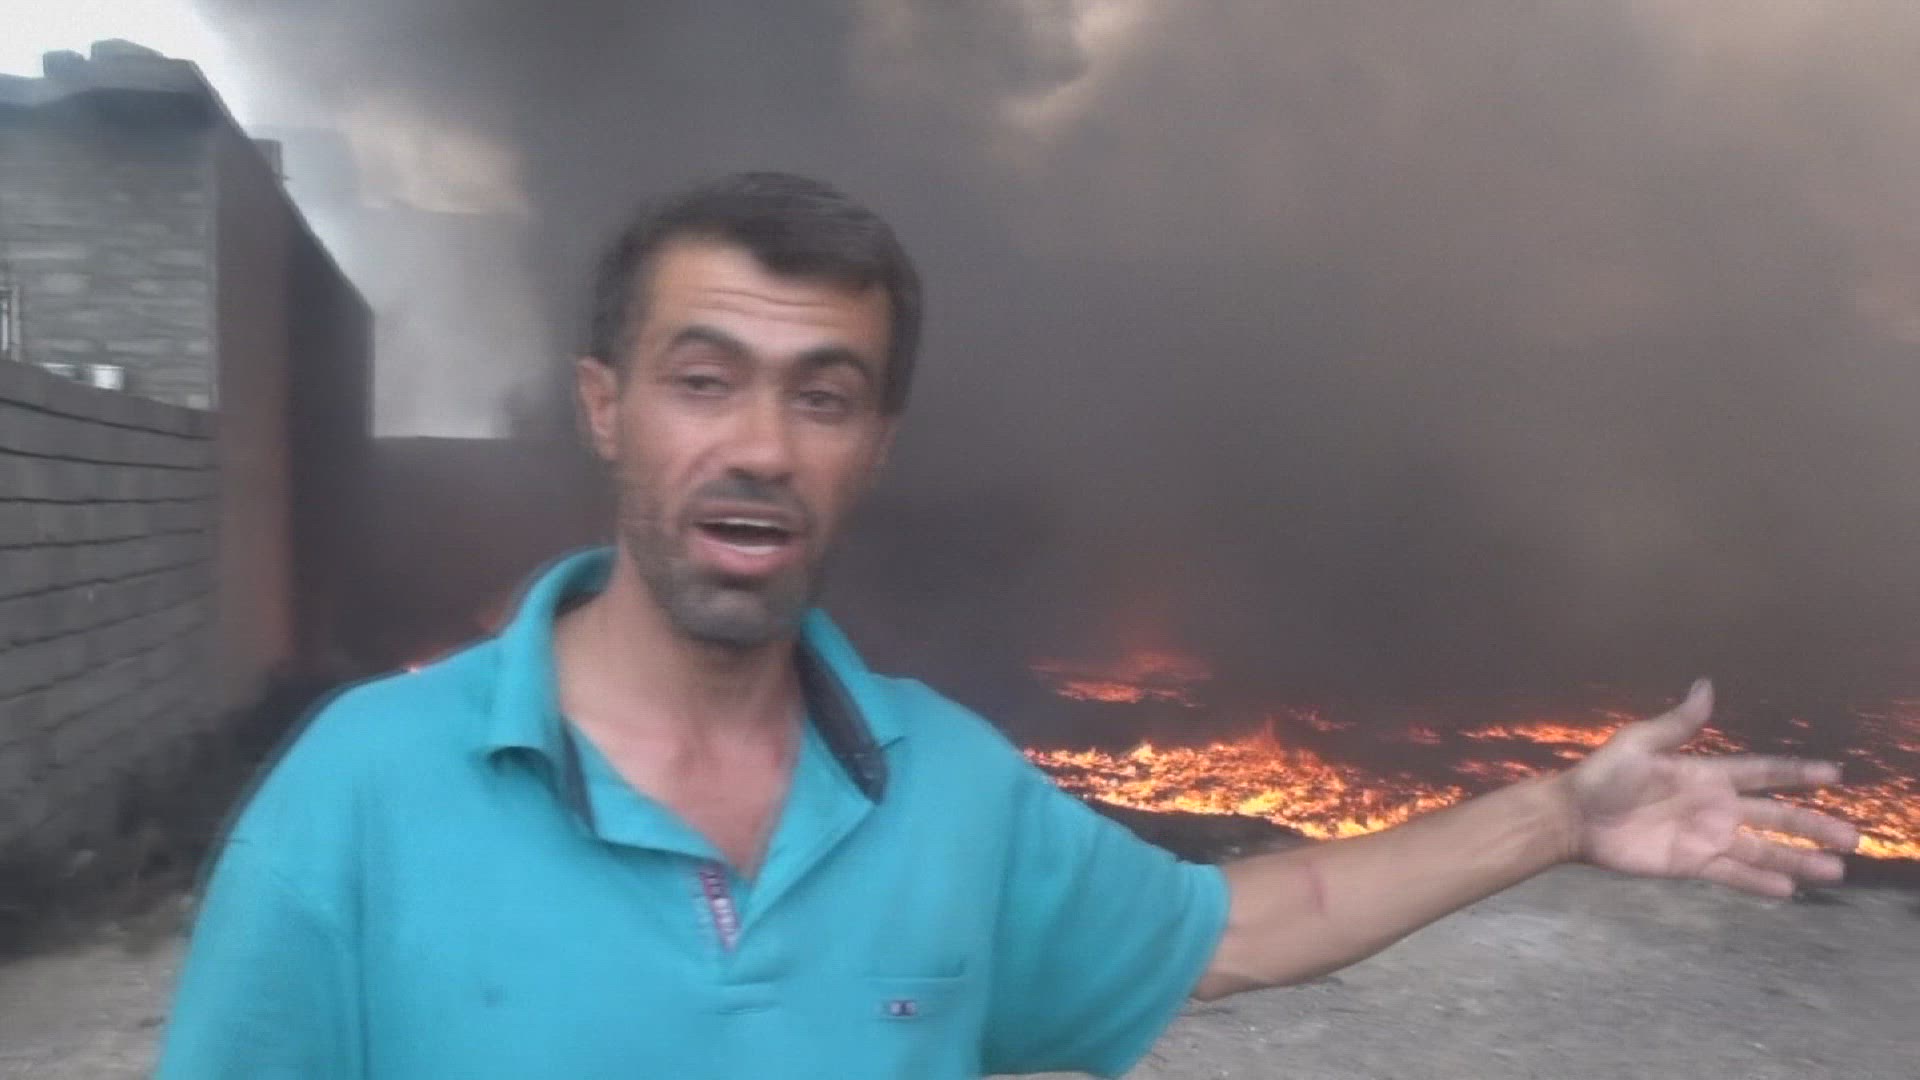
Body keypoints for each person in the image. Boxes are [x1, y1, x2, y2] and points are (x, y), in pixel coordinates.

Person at [157, 171, 1860, 1079]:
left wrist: (1560, 815)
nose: (762, 446)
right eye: (705, 380)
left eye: (824, 396)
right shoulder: (366, 790)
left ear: (875, 448)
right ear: (607, 407)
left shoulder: (950, 787)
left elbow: (1253, 922)